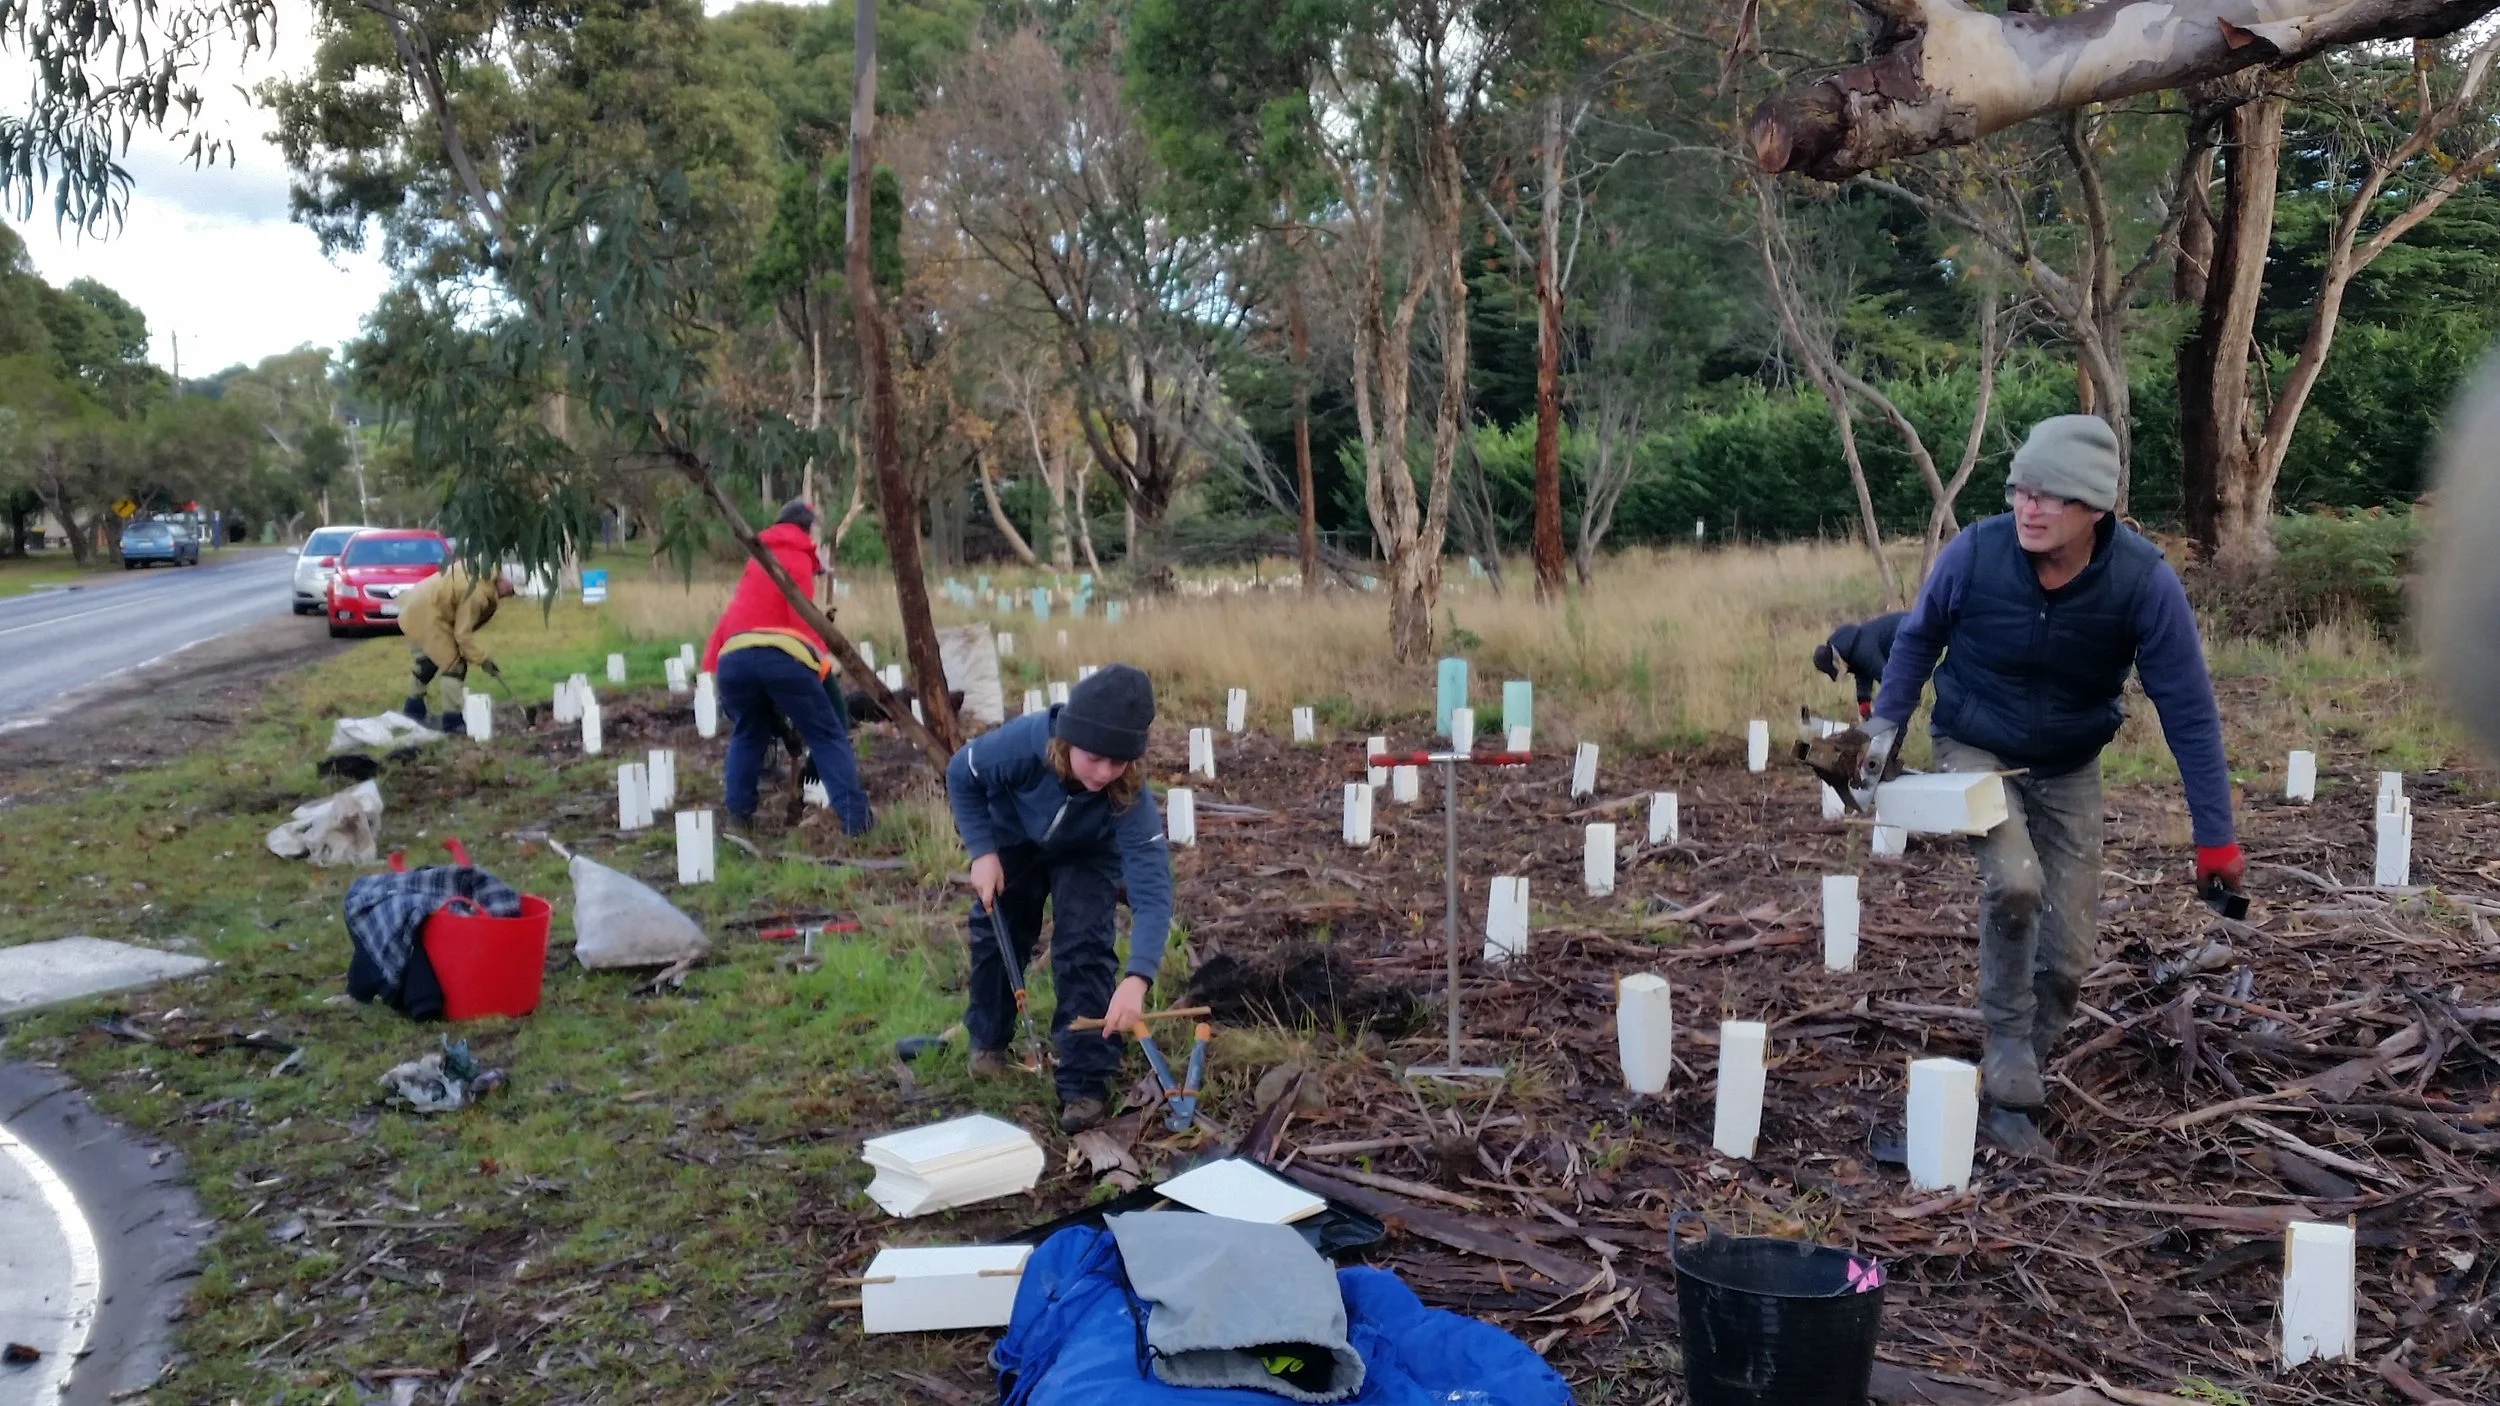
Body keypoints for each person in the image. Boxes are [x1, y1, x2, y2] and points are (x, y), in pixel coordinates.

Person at [1862, 415, 2241, 1152]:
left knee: (2067, 953)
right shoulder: (1974, 554)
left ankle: (2016, 1072)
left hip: (2068, 764)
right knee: (2015, 881)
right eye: (2020, 492)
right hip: (1972, 743)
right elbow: (1915, 642)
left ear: (2094, 508)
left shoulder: (2142, 584)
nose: (2029, 509)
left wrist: (2216, 837)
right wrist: (1878, 737)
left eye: (2051, 497)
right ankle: (2005, 1054)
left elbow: (2189, 711)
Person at [944, 664, 1173, 1133]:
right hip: (1013, 836)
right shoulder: (1022, 744)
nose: (1105, 772)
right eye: (1094, 758)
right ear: (1069, 741)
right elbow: (959, 774)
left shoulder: (1127, 797)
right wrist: (982, 852)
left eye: (1119, 761)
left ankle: (1083, 1082)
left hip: (1089, 851)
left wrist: (1138, 979)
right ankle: (987, 1040)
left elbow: (1152, 892)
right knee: (998, 932)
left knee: (1084, 949)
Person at [702, 500, 872, 836]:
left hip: (733, 658)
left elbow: (732, 617)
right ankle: (857, 823)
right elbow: (803, 623)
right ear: (807, 530)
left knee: (749, 732)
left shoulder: (759, 559)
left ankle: (738, 816)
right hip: (781, 657)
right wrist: (824, 665)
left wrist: (708, 666)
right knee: (827, 734)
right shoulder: (797, 559)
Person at [399, 562, 515, 732]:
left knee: (428, 662)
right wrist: (482, 660)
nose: (509, 595)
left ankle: (413, 709)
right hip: (428, 616)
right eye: (511, 590)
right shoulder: (476, 594)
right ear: (503, 580)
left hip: (416, 606)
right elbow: (462, 635)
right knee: (454, 667)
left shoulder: (481, 568)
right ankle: (452, 721)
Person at [1814, 611, 1905, 719]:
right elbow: (1863, 672)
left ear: (1836, 661)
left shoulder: (1863, 651)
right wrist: (1864, 703)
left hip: (1909, 631)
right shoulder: (1850, 649)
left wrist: (1882, 712)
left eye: (1834, 670)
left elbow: (1888, 679)